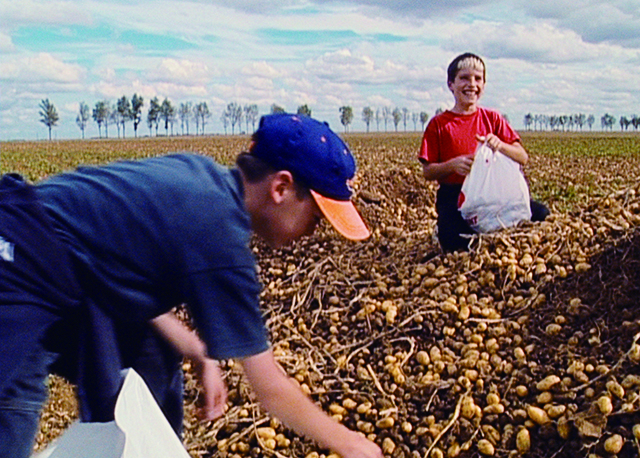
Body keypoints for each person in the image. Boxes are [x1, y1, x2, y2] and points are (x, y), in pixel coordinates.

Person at [0, 113, 383, 458]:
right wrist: (350, 444)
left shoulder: (204, 180)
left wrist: (195, 350)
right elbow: (269, 388)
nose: (311, 232)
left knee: (153, 356)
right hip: (17, 254)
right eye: (315, 217)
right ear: (281, 188)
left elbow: (119, 266)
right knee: (12, 407)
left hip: (62, 270)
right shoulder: (219, 234)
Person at [418, 52, 549, 252]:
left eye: (478, 79)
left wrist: (501, 146)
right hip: (455, 195)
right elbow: (428, 172)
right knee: (453, 239)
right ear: (451, 84)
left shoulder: (492, 119)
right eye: (464, 78)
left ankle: (495, 239)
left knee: (542, 215)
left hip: (494, 193)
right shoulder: (439, 124)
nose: (471, 84)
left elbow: (522, 156)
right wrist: (453, 165)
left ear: (484, 86)